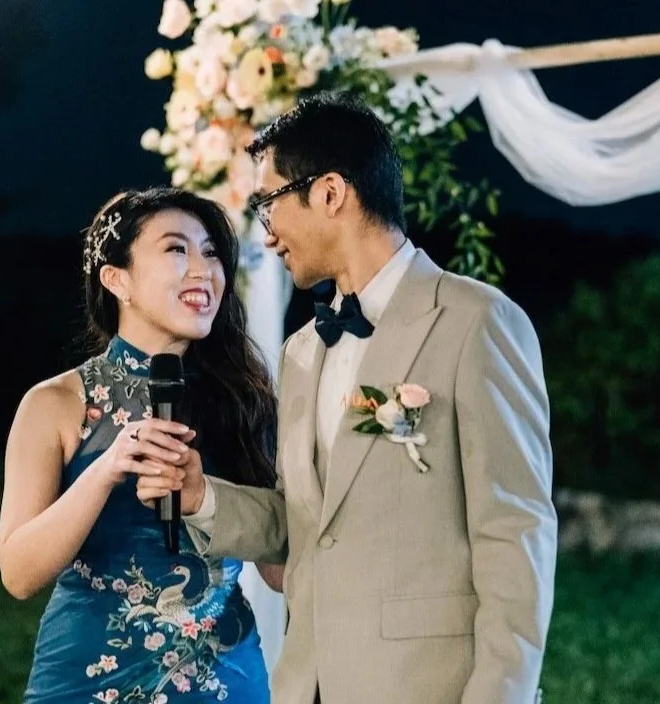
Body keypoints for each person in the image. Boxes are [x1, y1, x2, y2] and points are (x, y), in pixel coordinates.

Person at [137, 92, 558, 704]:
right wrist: (201, 496)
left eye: (269, 204)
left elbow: (515, 534)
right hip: (307, 684)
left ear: (330, 192)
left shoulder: (477, 322)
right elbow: (303, 525)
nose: (268, 234)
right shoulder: (302, 351)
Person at [0, 187, 283, 704]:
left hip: (223, 682)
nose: (203, 270)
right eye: (177, 249)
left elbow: (282, 572)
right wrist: (105, 470)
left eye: (211, 252)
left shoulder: (246, 398)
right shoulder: (54, 403)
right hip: (87, 679)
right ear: (117, 280)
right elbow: (18, 574)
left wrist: (208, 498)